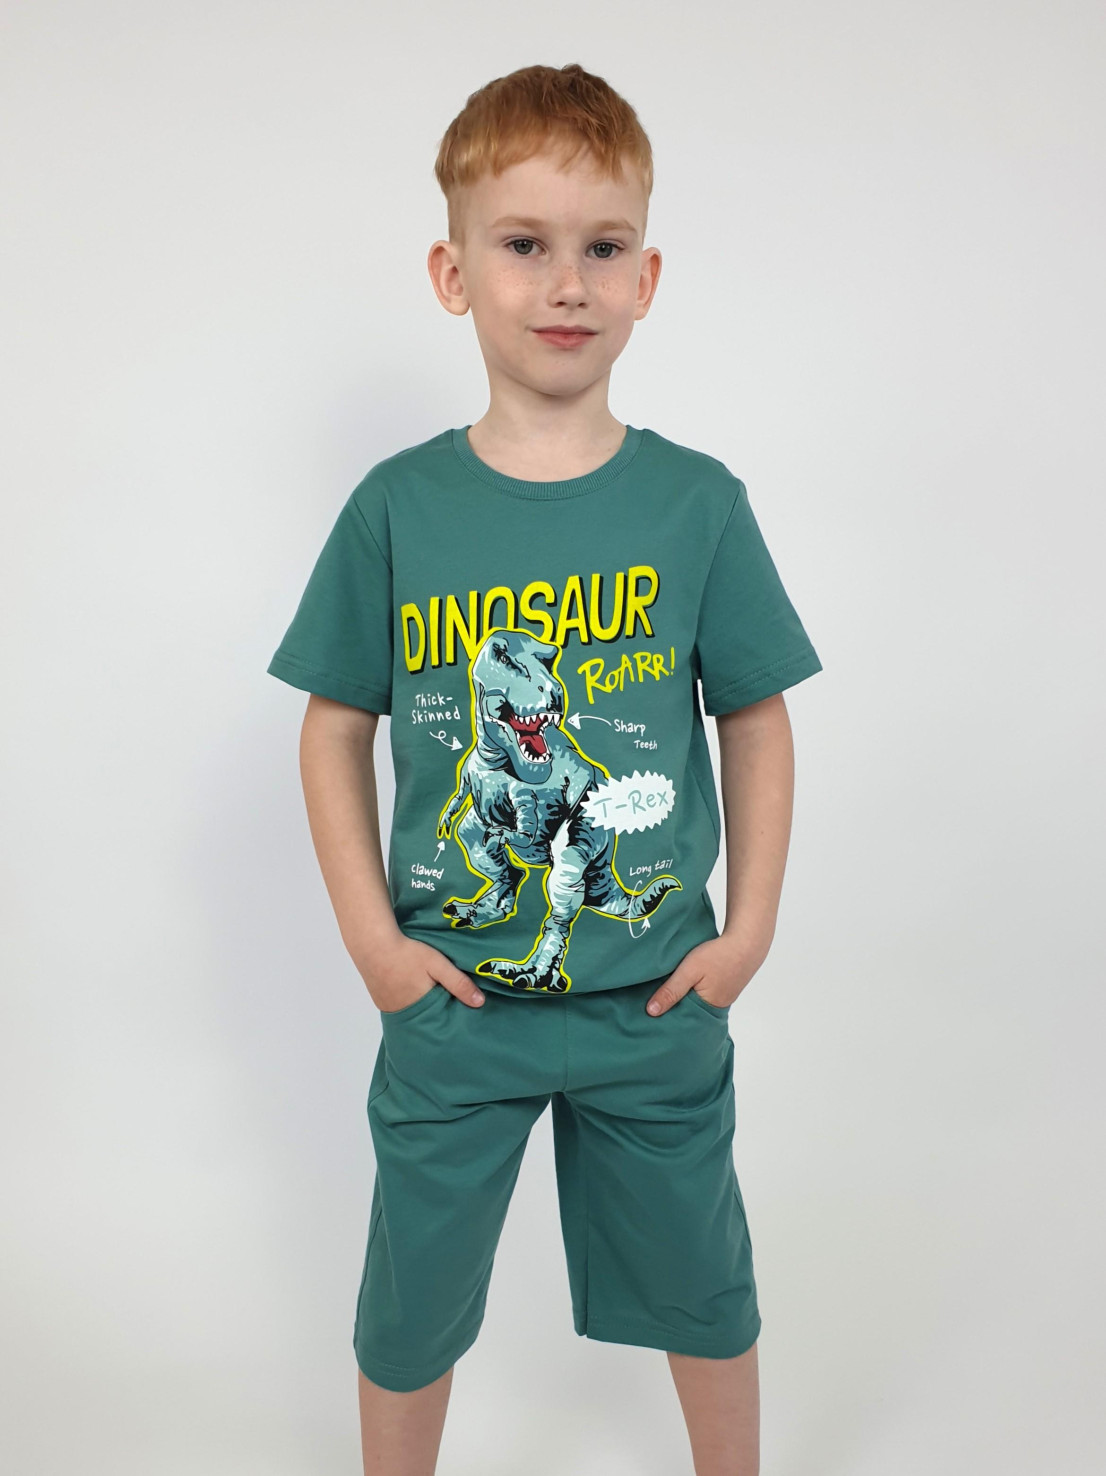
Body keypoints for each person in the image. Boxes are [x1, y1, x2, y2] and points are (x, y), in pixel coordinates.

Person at [267, 61, 823, 1476]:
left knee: (707, 1282)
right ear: (454, 275)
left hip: (656, 993)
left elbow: (753, 714)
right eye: (524, 244)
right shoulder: (398, 507)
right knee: (410, 1303)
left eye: (602, 246)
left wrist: (749, 929)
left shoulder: (696, 503)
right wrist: (377, 948)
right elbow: (333, 724)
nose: (566, 283)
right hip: (455, 1000)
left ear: (647, 277)